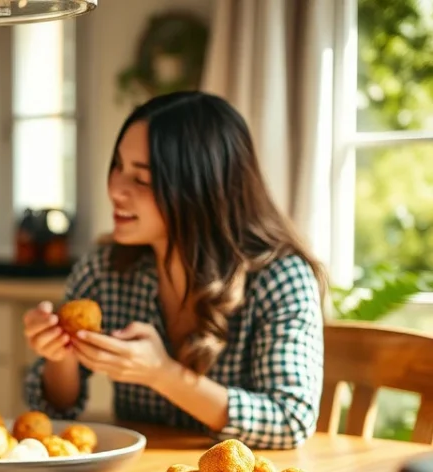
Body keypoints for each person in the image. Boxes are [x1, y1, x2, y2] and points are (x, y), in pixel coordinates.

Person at [23, 91, 325, 449]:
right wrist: (60, 355)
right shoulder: (105, 269)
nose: (116, 189)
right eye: (118, 166)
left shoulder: (280, 278)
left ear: (201, 189)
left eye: (142, 179)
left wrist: (163, 374)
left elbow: (289, 421)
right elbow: (56, 409)